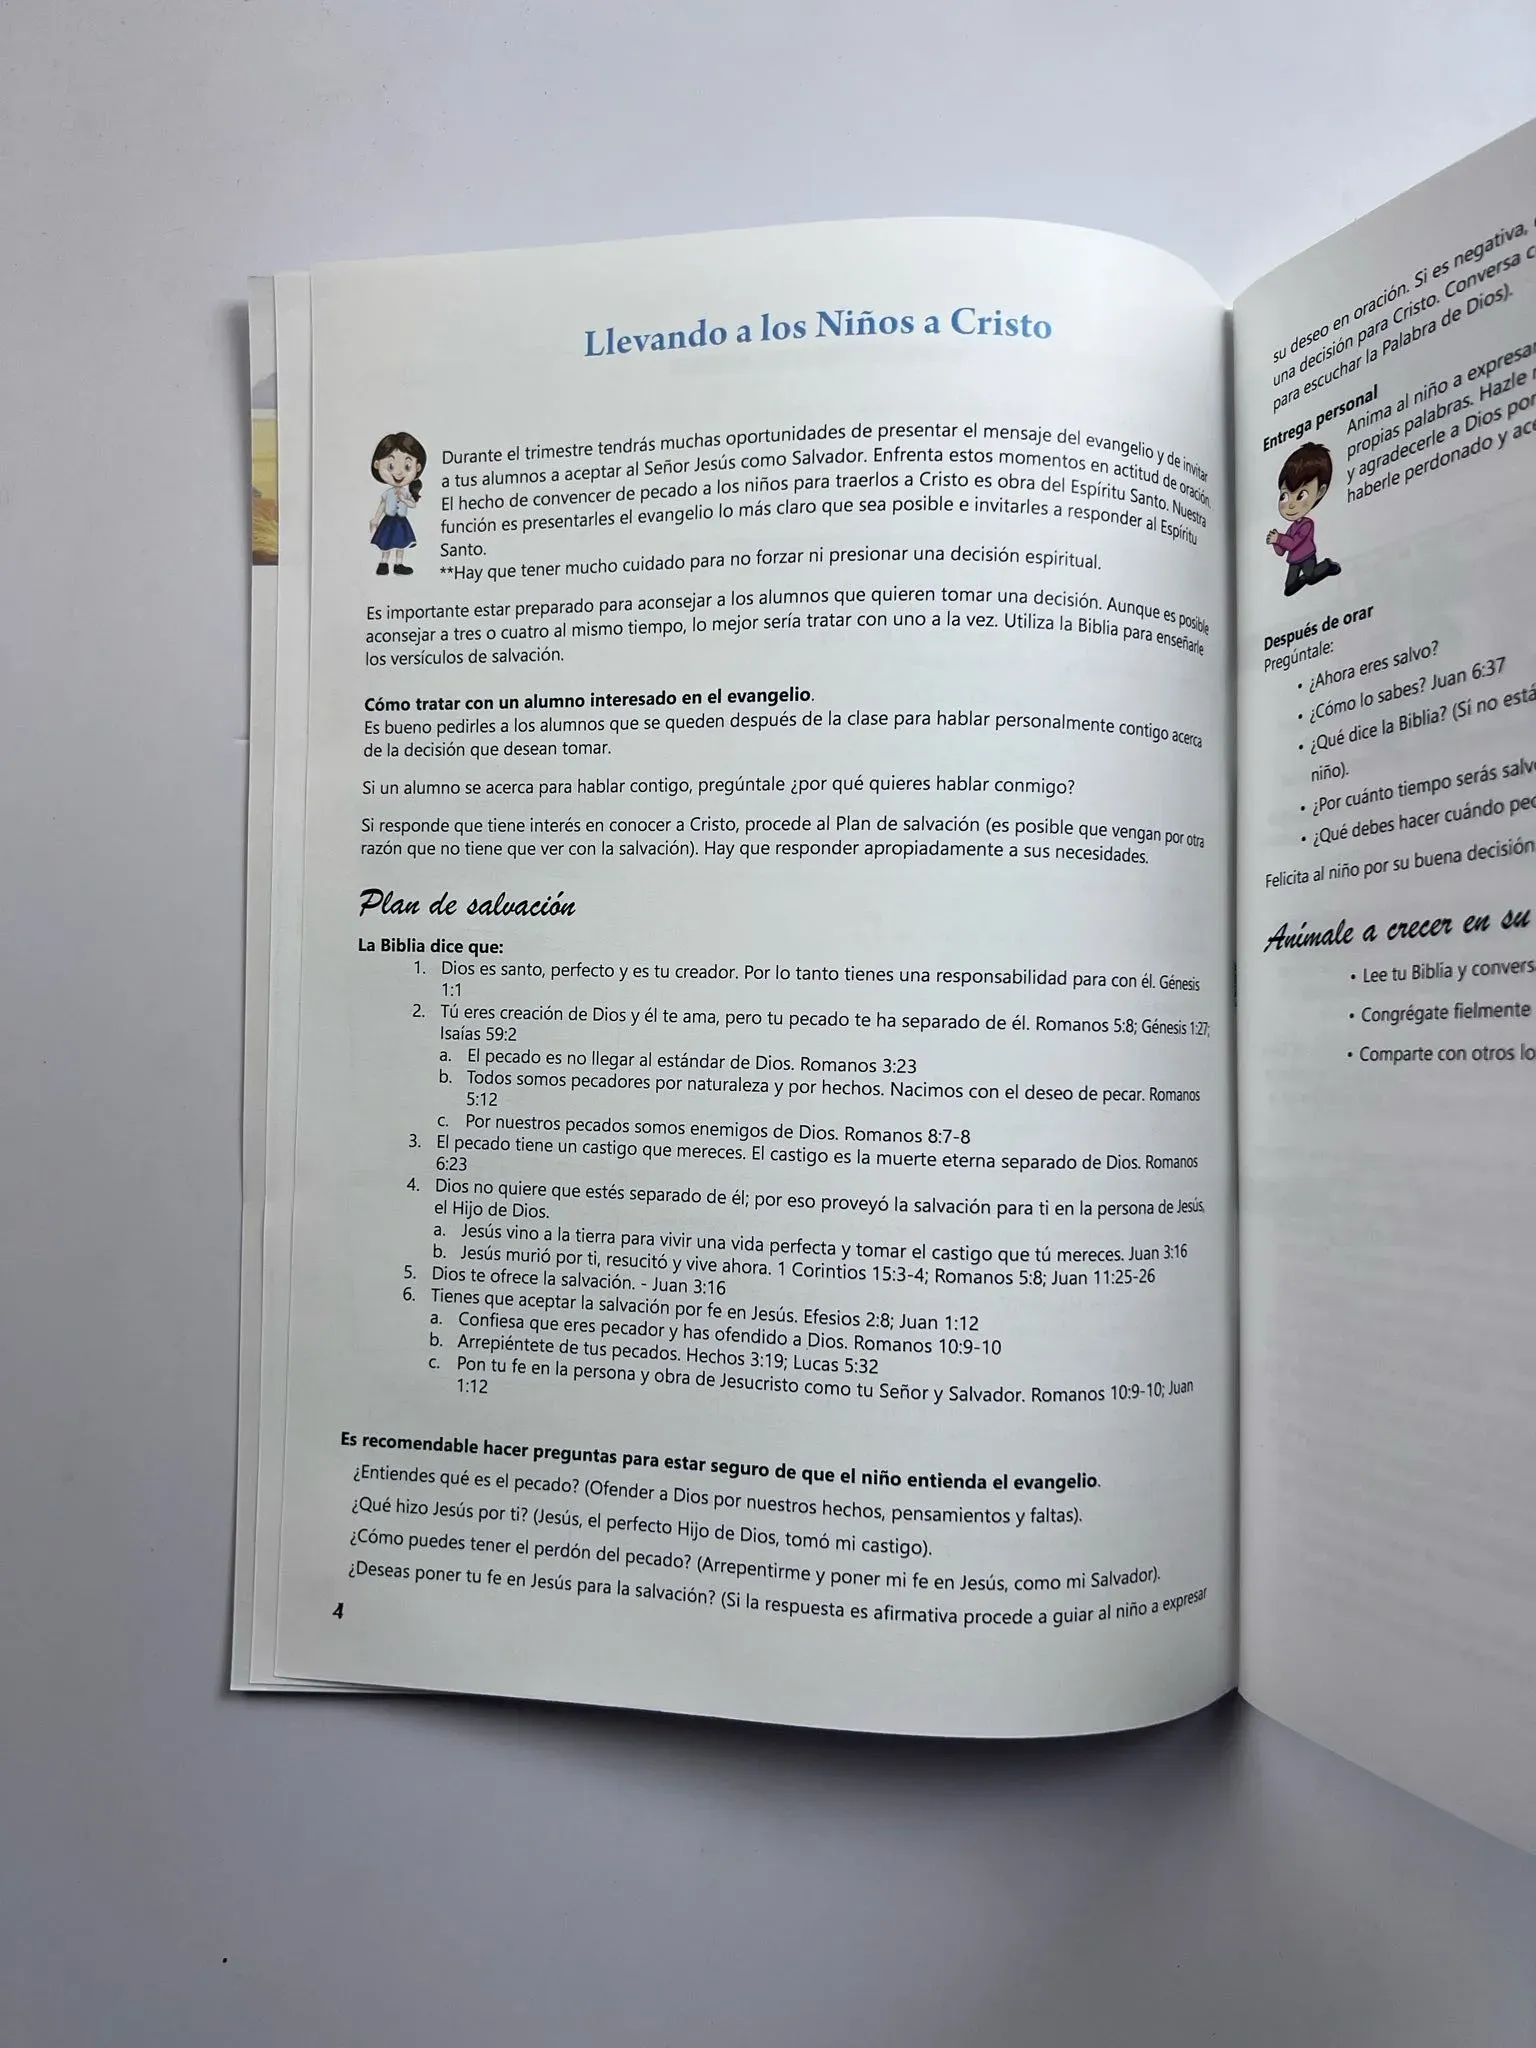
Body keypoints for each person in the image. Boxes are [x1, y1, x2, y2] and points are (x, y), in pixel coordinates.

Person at [1267, 441, 1341, 597]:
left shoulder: (1307, 524)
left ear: (1320, 492)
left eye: (1301, 495)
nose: (1291, 505)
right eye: (1284, 496)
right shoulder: (1292, 528)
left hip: (1307, 557)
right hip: (1294, 560)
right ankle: (1306, 578)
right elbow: (1282, 551)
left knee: (1311, 577)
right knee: (1289, 589)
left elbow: (1293, 543)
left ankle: (1326, 565)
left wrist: (1279, 538)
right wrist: (1275, 542)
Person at [369, 432, 427, 575]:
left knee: (401, 544)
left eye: (407, 466)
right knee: (386, 543)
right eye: (391, 466)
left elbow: (413, 505)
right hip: (388, 521)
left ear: (417, 467)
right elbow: (382, 505)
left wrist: (404, 500)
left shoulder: (406, 493)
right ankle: (383, 564)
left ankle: (398, 565)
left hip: (401, 522)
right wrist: (375, 519)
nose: (399, 473)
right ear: (377, 464)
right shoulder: (388, 493)